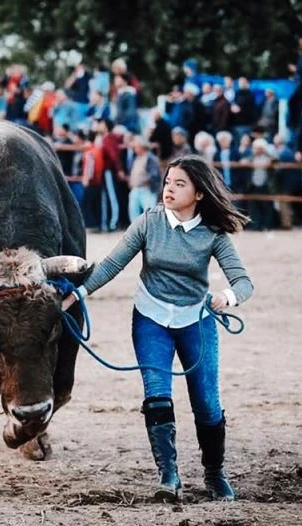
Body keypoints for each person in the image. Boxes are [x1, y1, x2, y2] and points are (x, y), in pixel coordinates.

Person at [62, 155, 253, 502]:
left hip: (196, 321)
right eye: (167, 182)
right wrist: (77, 294)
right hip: (150, 319)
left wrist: (226, 297)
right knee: (157, 396)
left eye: (180, 184)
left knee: (206, 403)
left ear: (199, 194)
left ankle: (215, 474)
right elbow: (112, 264)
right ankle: (169, 475)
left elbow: (243, 283)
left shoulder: (213, 234)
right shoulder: (149, 222)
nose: (169, 189)